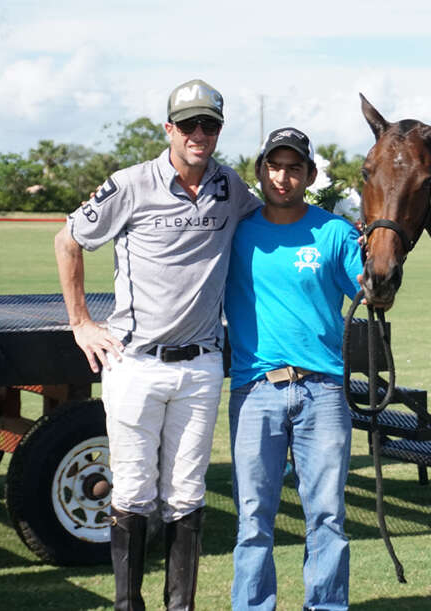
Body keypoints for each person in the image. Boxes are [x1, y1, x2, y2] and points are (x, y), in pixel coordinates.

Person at [54, 79, 261, 610]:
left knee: (187, 495)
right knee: (131, 494)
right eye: (188, 124)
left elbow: (274, 220)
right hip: (135, 364)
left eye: (209, 125)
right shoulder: (130, 183)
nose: (199, 134)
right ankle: (129, 605)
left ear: (218, 131)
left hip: (201, 367)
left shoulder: (230, 187)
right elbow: (68, 240)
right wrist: (80, 323)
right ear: (169, 128)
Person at [225, 126, 363, 611]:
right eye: (274, 166)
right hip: (255, 389)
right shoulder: (237, 231)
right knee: (253, 516)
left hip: (323, 391)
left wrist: (384, 256)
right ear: (260, 170)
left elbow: (371, 288)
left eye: (294, 168)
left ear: (309, 174)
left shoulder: (334, 232)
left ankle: (325, 605)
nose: (283, 177)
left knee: (326, 514)